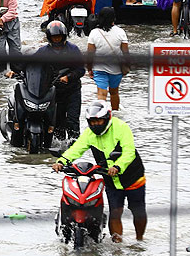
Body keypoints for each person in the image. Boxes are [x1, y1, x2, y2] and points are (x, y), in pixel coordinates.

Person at [53, 100, 146, 242]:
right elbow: (76, 149)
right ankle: (117, 246)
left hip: (133, 177)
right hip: (110, 179)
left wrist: (118, 167)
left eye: (99, 121)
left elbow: (129, 152)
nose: (96, 125)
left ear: (107, 118)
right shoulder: (89, 134)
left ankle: (139, 240)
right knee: (115, 212)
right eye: (92, 122)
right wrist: (61, 161)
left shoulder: (121, 127)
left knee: (138, 212)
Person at [34, 20, 85, 140]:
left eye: (59, 37)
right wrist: (16, 71)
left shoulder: (73, 50)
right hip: (53, 92)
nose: (56, 40)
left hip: (72, 91)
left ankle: (75, 146)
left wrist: (68, 77)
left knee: (72, 121)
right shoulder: (43, 52)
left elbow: (81, 70)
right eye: (54, 38)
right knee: (57, 123)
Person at [86, 8, 129, 108]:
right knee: (114, 93)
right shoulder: (120, 32)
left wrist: (89, 69)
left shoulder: (94, 33)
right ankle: (115, 115)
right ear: (113, 18)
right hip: (116, 69)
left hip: (99, 68)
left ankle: (101, 117)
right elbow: (126, 53)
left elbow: (90, 54)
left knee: (101, 94)